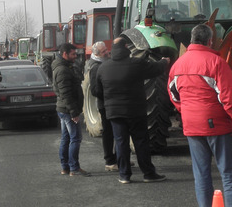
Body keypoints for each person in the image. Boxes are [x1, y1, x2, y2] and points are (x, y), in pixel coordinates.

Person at [167, 24, 232, 207]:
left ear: (192, 39)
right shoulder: (216, 63)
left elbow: (173, 95)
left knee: (201, 173)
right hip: (216, 124)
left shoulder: (177, 65)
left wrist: (187, 112)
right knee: (229, 171)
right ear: (210, 41)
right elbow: (228, 97)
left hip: (192, 125)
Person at [96, 36, 168, 184]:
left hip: (114, 113)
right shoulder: (136, 63)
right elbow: (155, 69)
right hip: (136, 111)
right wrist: (164, 62)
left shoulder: (103, 68)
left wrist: (110, 100)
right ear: (126, 48)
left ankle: (124, 175)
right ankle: (148, 173)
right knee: (141, 142)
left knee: (121, 142)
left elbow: (96, 90)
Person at [53, 43, 88, 176]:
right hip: (67, 110)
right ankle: (73, 168)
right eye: (73, 54)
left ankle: (66, 168)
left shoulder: (65, 67)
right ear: (64, 54)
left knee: (66, 138)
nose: (75, 56)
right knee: (75, 138)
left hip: (64, 109)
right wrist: (74, 112)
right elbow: (66, 94)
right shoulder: (62, 70)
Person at [87, 41, 118, 172]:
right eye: (104, 52)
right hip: (105, 105)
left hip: (111, 103)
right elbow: (95, 90)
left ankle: (119, 158)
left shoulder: (104, 63)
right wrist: (110, 93)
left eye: (106, 49)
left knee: (116, 132)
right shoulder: (95, 67)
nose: (107, 52)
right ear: (97, 54)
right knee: (108, 133)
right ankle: (109, 161)